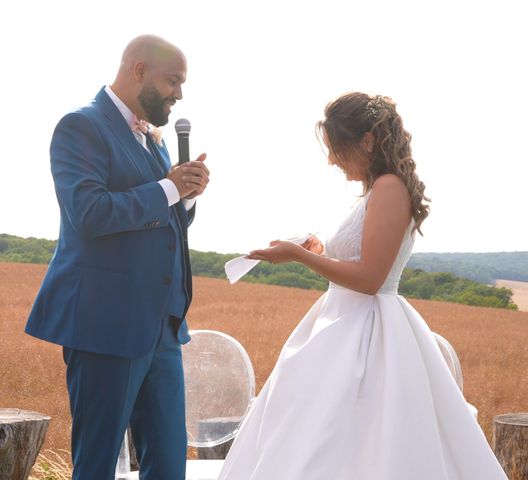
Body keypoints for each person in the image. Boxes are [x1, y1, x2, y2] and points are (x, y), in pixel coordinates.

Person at [217, 93, 508, 479]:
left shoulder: (390, 188)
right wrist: (320, 250)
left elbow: (371, 279)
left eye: (337, 148)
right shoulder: (378, 189)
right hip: (343, 322)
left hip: (369, 333)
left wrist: (300, 257)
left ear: (367, 142)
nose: (332, 160)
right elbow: (362, 260)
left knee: (358, 434)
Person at [25, 35, 210, 480]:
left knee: (168, 468)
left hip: (163, 329)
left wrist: (185, 198)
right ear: (139, 71)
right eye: (174, 81)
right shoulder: (81, 126)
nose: (180, 95)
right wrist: (169, 189)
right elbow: (89, 214)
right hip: (105, 325)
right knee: (97, 466)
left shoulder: (155, 140)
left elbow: (162, 226)